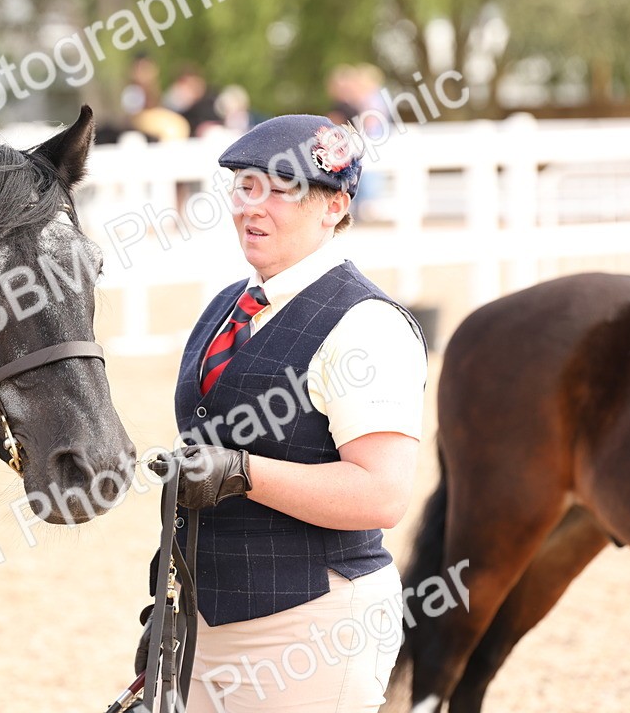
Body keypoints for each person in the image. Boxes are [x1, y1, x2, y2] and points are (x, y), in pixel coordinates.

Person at [135, 114, 427, 712]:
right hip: (200, 623)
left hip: (314, 626)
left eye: (280, 189)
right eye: (244, 187)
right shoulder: (226, 304)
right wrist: (167, 614)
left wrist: (242, 472)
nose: (252, 207)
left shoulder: (367, 324)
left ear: (334, 206)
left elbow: (383, 494)